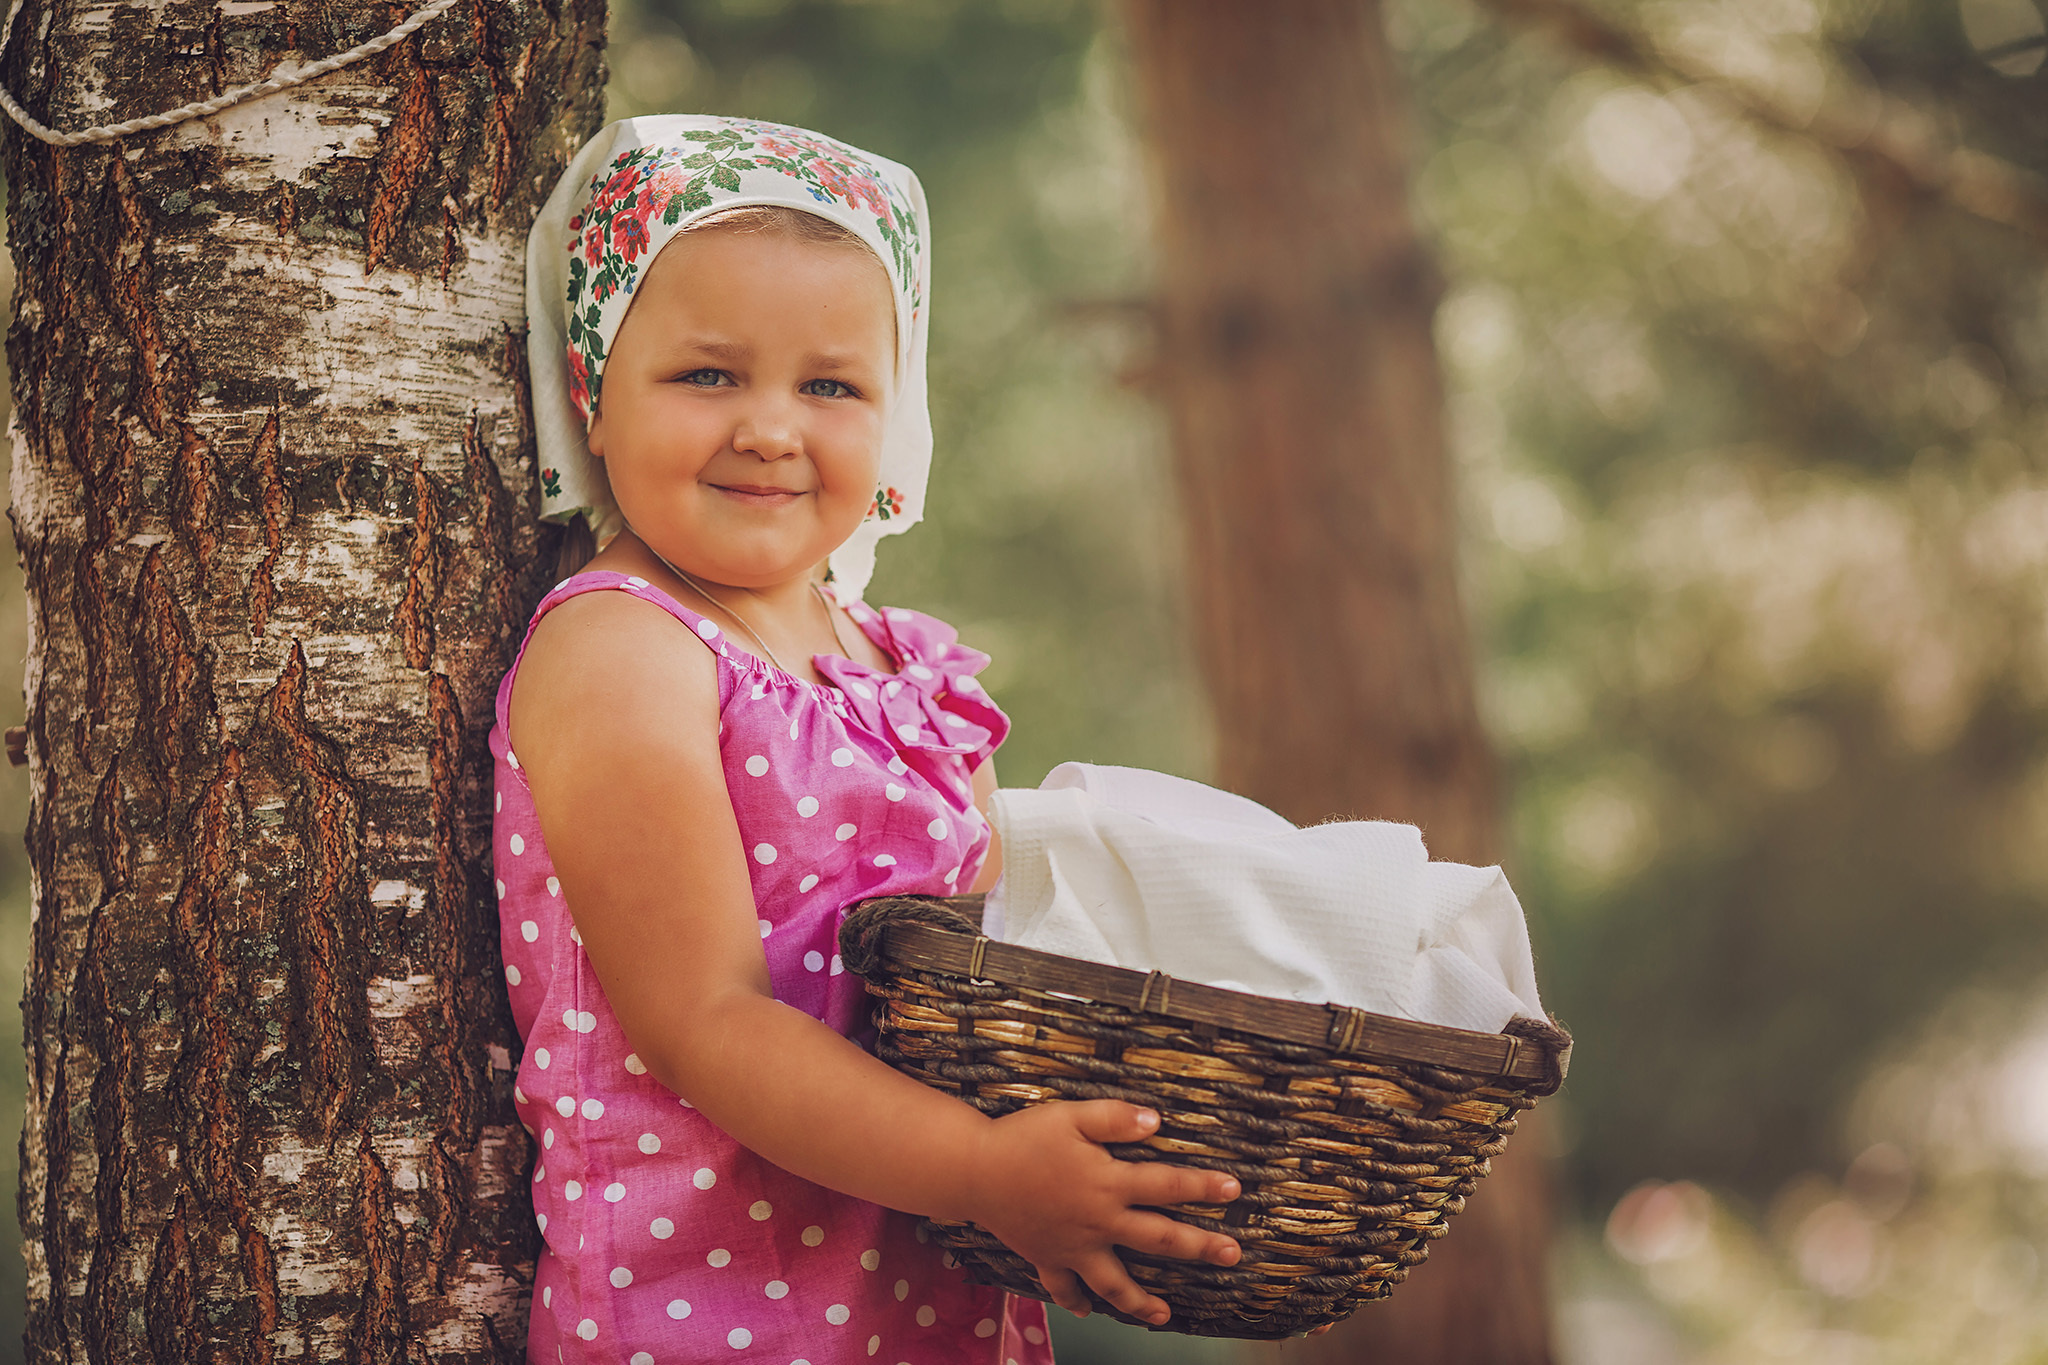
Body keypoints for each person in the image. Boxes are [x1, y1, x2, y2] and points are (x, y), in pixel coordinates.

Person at [492, 115, 1244, 1363]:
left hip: (933, 1295)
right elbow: (704, 1023)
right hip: (721, 1315)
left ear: (892, 417)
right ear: (594, 396)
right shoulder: (624, 652)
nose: (771, 429)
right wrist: (981, 1167)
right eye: (707, 375)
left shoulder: (904, 666)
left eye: (830, 385)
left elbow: (980, 977)